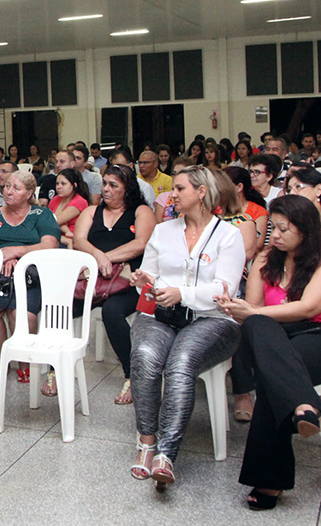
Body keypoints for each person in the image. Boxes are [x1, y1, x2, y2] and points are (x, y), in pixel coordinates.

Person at [216, 195, 321, 511]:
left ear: (305, 230)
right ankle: (304, 406)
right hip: (278, 338)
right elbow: (253, 311)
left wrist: (253, 312)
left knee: (271, 372)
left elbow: (310, 307)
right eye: (274, 228)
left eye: (283, 229)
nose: (275, 235)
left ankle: (270, 479)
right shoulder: (268, 258)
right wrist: (234, 307)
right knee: (258, 330)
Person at [128, 166, 245, 488]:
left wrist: (184, 294)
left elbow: (225, 292)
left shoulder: (228, 236)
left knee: (180, 363)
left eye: (179, 189)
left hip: (212, 320)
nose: (172, 195)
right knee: (145, 356)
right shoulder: (164, 231)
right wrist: (144, 281)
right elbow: (149, 277)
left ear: (202, 193)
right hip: (161, 315)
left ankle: (166, 454)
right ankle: (147, 440)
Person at [72, 164, 154, 404]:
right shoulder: (91, 211)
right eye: (105, 184)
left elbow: (140, 244)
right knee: (62, 307)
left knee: (112, 311)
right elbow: (79, 240)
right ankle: (57, 368)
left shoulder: (140, 211)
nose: (105, 189)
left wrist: (108, 257)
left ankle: (133, 374)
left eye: (113, 185)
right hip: (93, 280)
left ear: (127, 189)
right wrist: (99, 257)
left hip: (128, 281)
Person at [0, 170, 60, 384]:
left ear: (29, 193)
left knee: (21, 314)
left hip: (31, 275)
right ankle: (0, 361)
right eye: (7, 186)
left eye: (16, 188)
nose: (9, 191)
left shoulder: (40, 214)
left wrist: (16, 253)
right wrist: (2, 257)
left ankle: (24, 362)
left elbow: (49, 245)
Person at [49, 168, 91, 246]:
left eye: (63, 184)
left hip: (72, 240)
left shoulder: (80, 201)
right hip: (55, 236)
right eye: (57, 183)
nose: (59, 187)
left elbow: (54, 221)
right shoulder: (55, 199)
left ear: (74, 185)